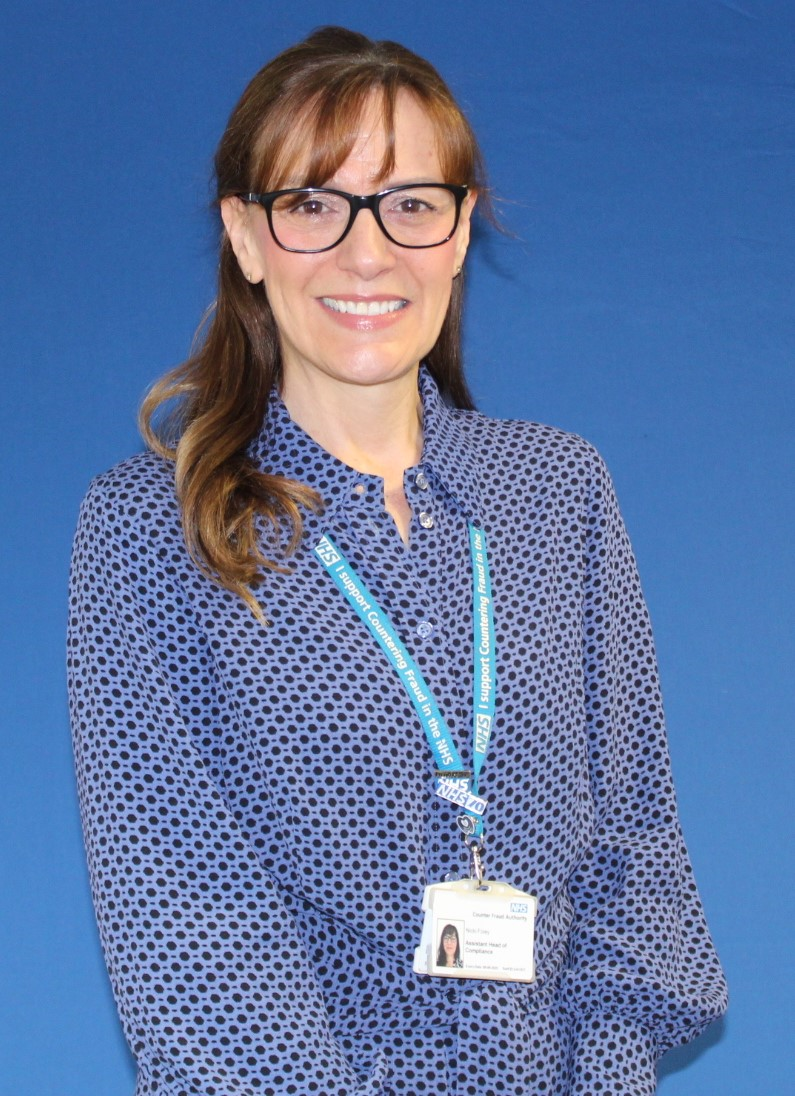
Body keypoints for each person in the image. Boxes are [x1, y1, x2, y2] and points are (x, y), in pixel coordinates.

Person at [68, 25, 727, 1096]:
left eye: (410, 204)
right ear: (246, 236)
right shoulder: (150, 532)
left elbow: (637, 850)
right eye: (313, 205)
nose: (366, 253)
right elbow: (191, 923)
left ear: (461, 229)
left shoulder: (560, 492)